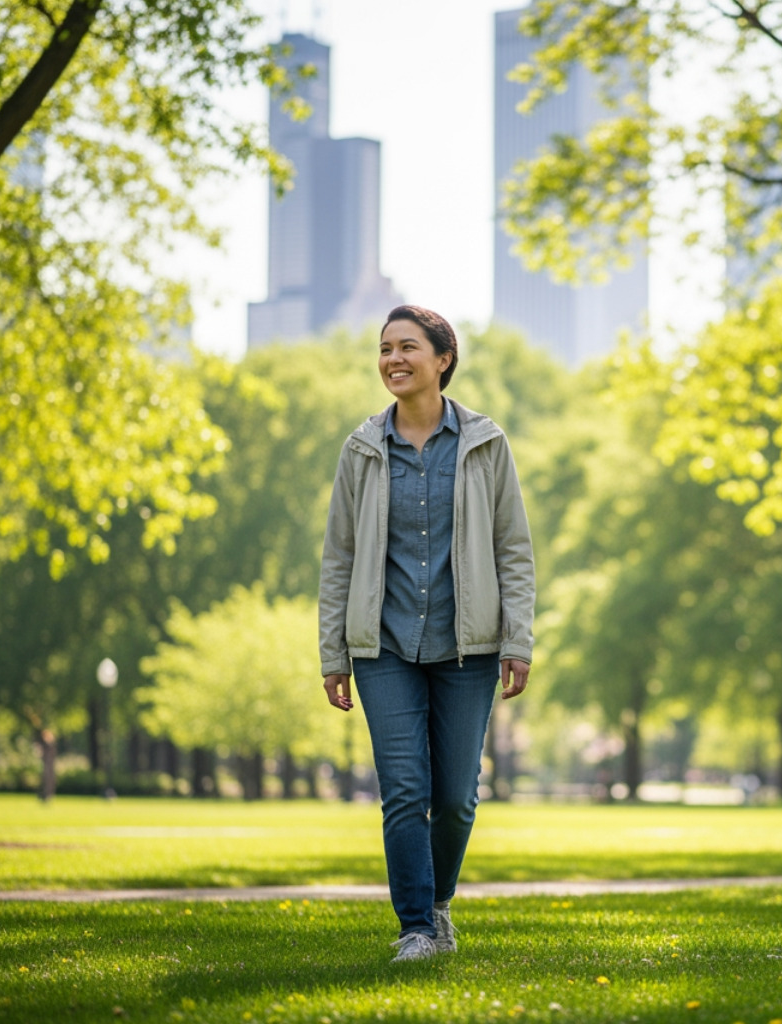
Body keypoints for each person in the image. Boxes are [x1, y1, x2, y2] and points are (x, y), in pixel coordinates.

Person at [319, 304, 535, 963]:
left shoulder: (485, 445)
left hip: (467, 647)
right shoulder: (362, 450)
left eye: (408, 347)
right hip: (383, 647)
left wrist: (517, 640)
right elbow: (339, 556)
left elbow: (513, 551)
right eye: (385, 349)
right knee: (405, 790)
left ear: (443, 359)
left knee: (456, 798)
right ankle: (415, 926)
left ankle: (438, 903)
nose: (393, 360)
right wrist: (334, 651)